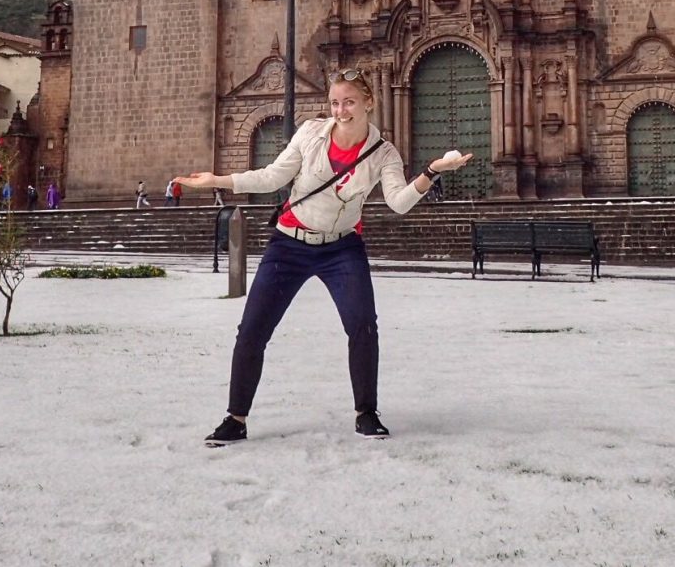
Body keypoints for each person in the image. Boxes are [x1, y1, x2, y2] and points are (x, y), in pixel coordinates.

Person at [174, 68, 471, 447]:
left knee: (362, 326)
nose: (341, 110)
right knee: (252, 330)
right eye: (334, 102)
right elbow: (272, 176)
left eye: (349, 101)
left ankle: (366, 413)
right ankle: (236, 418)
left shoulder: (383, 154)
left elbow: (397, 203)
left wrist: (431, 172)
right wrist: (217, 180)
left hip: (341, 247)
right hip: (289, 244)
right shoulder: (311, 133)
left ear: (368, 103)